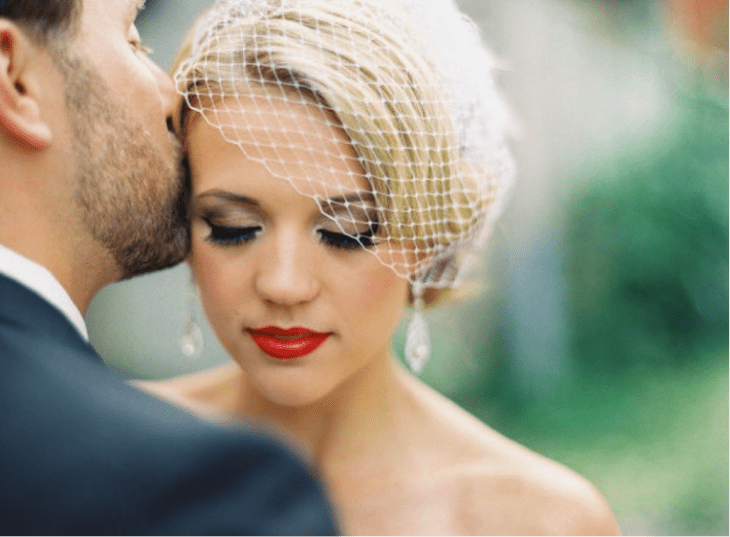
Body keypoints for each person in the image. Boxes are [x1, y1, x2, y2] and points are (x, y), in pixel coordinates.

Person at [139, 0, 622, 534]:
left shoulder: (537, 519)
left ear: (428, 233)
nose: (283, 283)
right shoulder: (101, 448)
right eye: (232, 226)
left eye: (347, 234)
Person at [0, 0, 338, 534]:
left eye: (343, 233)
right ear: (15, 78)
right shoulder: (195, 491)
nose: (172, 97)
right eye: (133, 39)